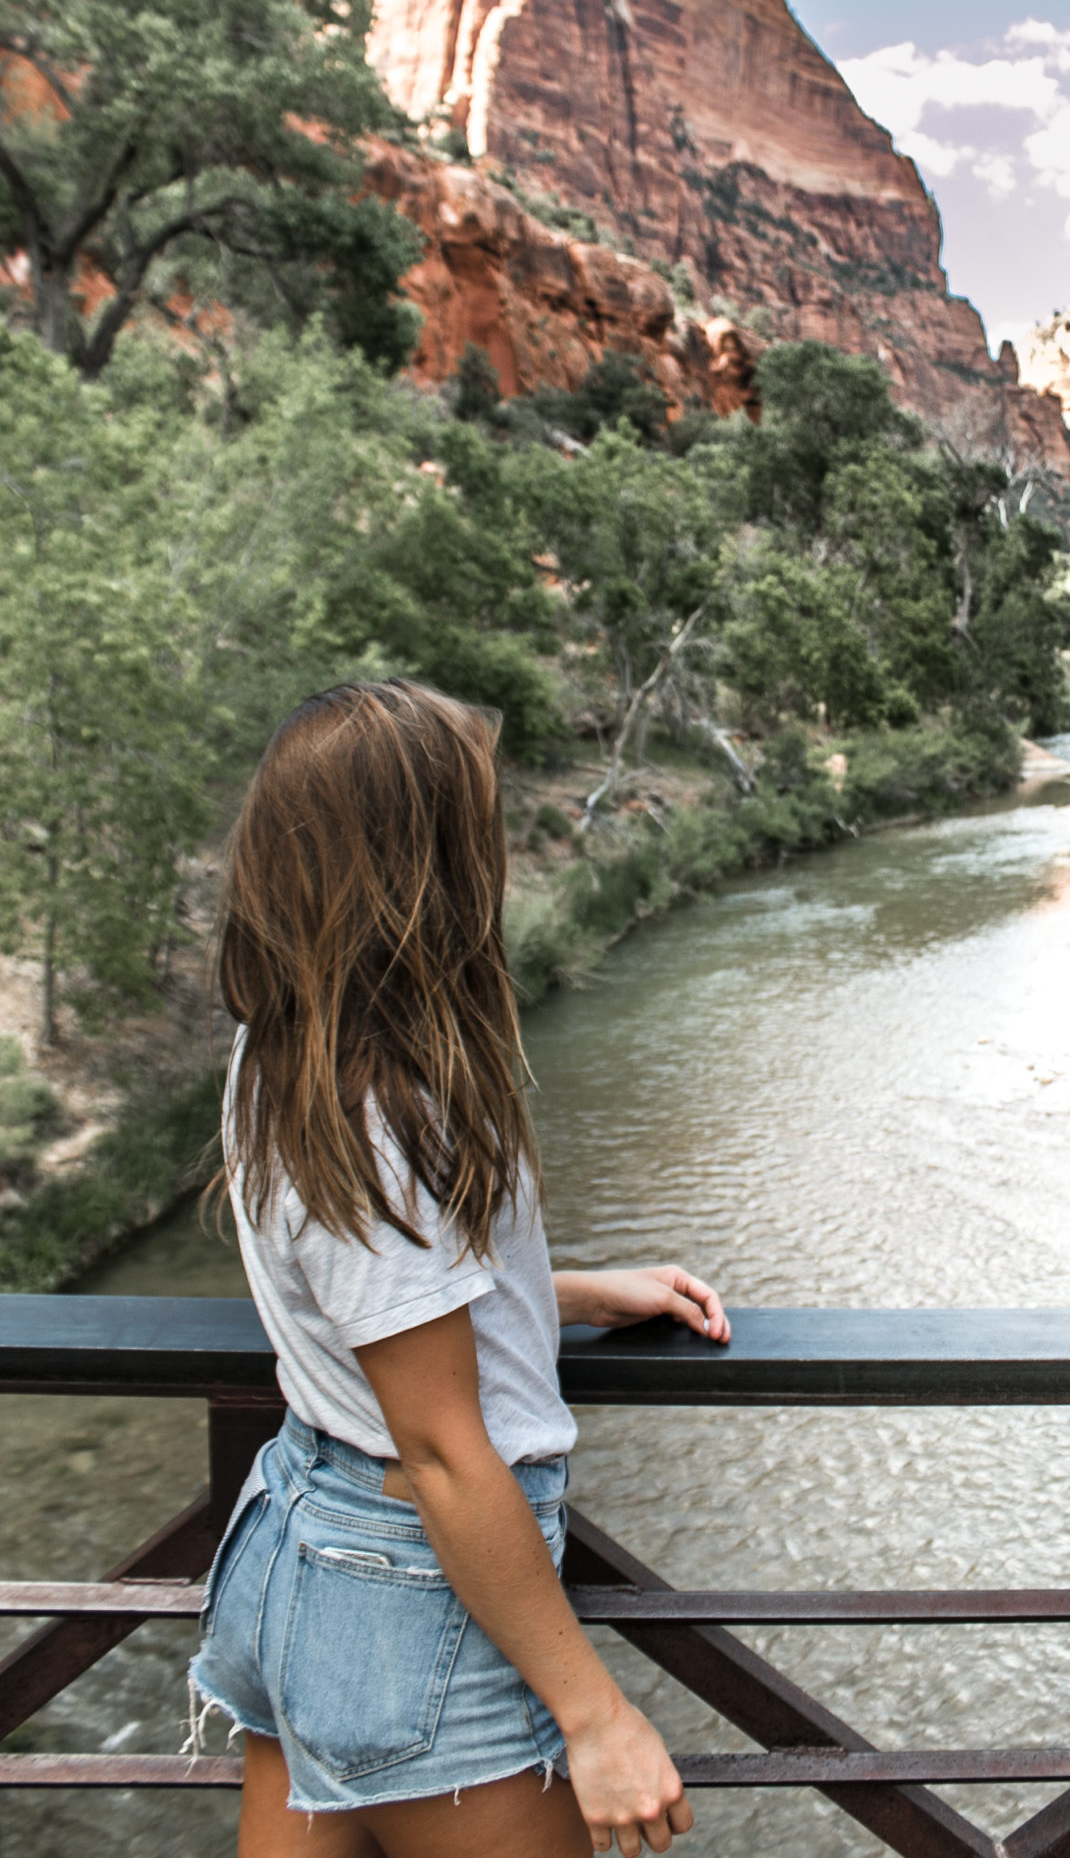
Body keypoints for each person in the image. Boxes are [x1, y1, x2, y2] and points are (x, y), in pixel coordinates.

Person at [188, 680, 730, 1858]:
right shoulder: (383, 1110)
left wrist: (563, 1294)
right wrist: (598, 1718)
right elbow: (441, 1450)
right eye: (471, 829)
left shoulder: (278, 1045)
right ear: (416, 865)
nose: (492, 857)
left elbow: (357, 1309)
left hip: (297, 1540)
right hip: (406, 1590)